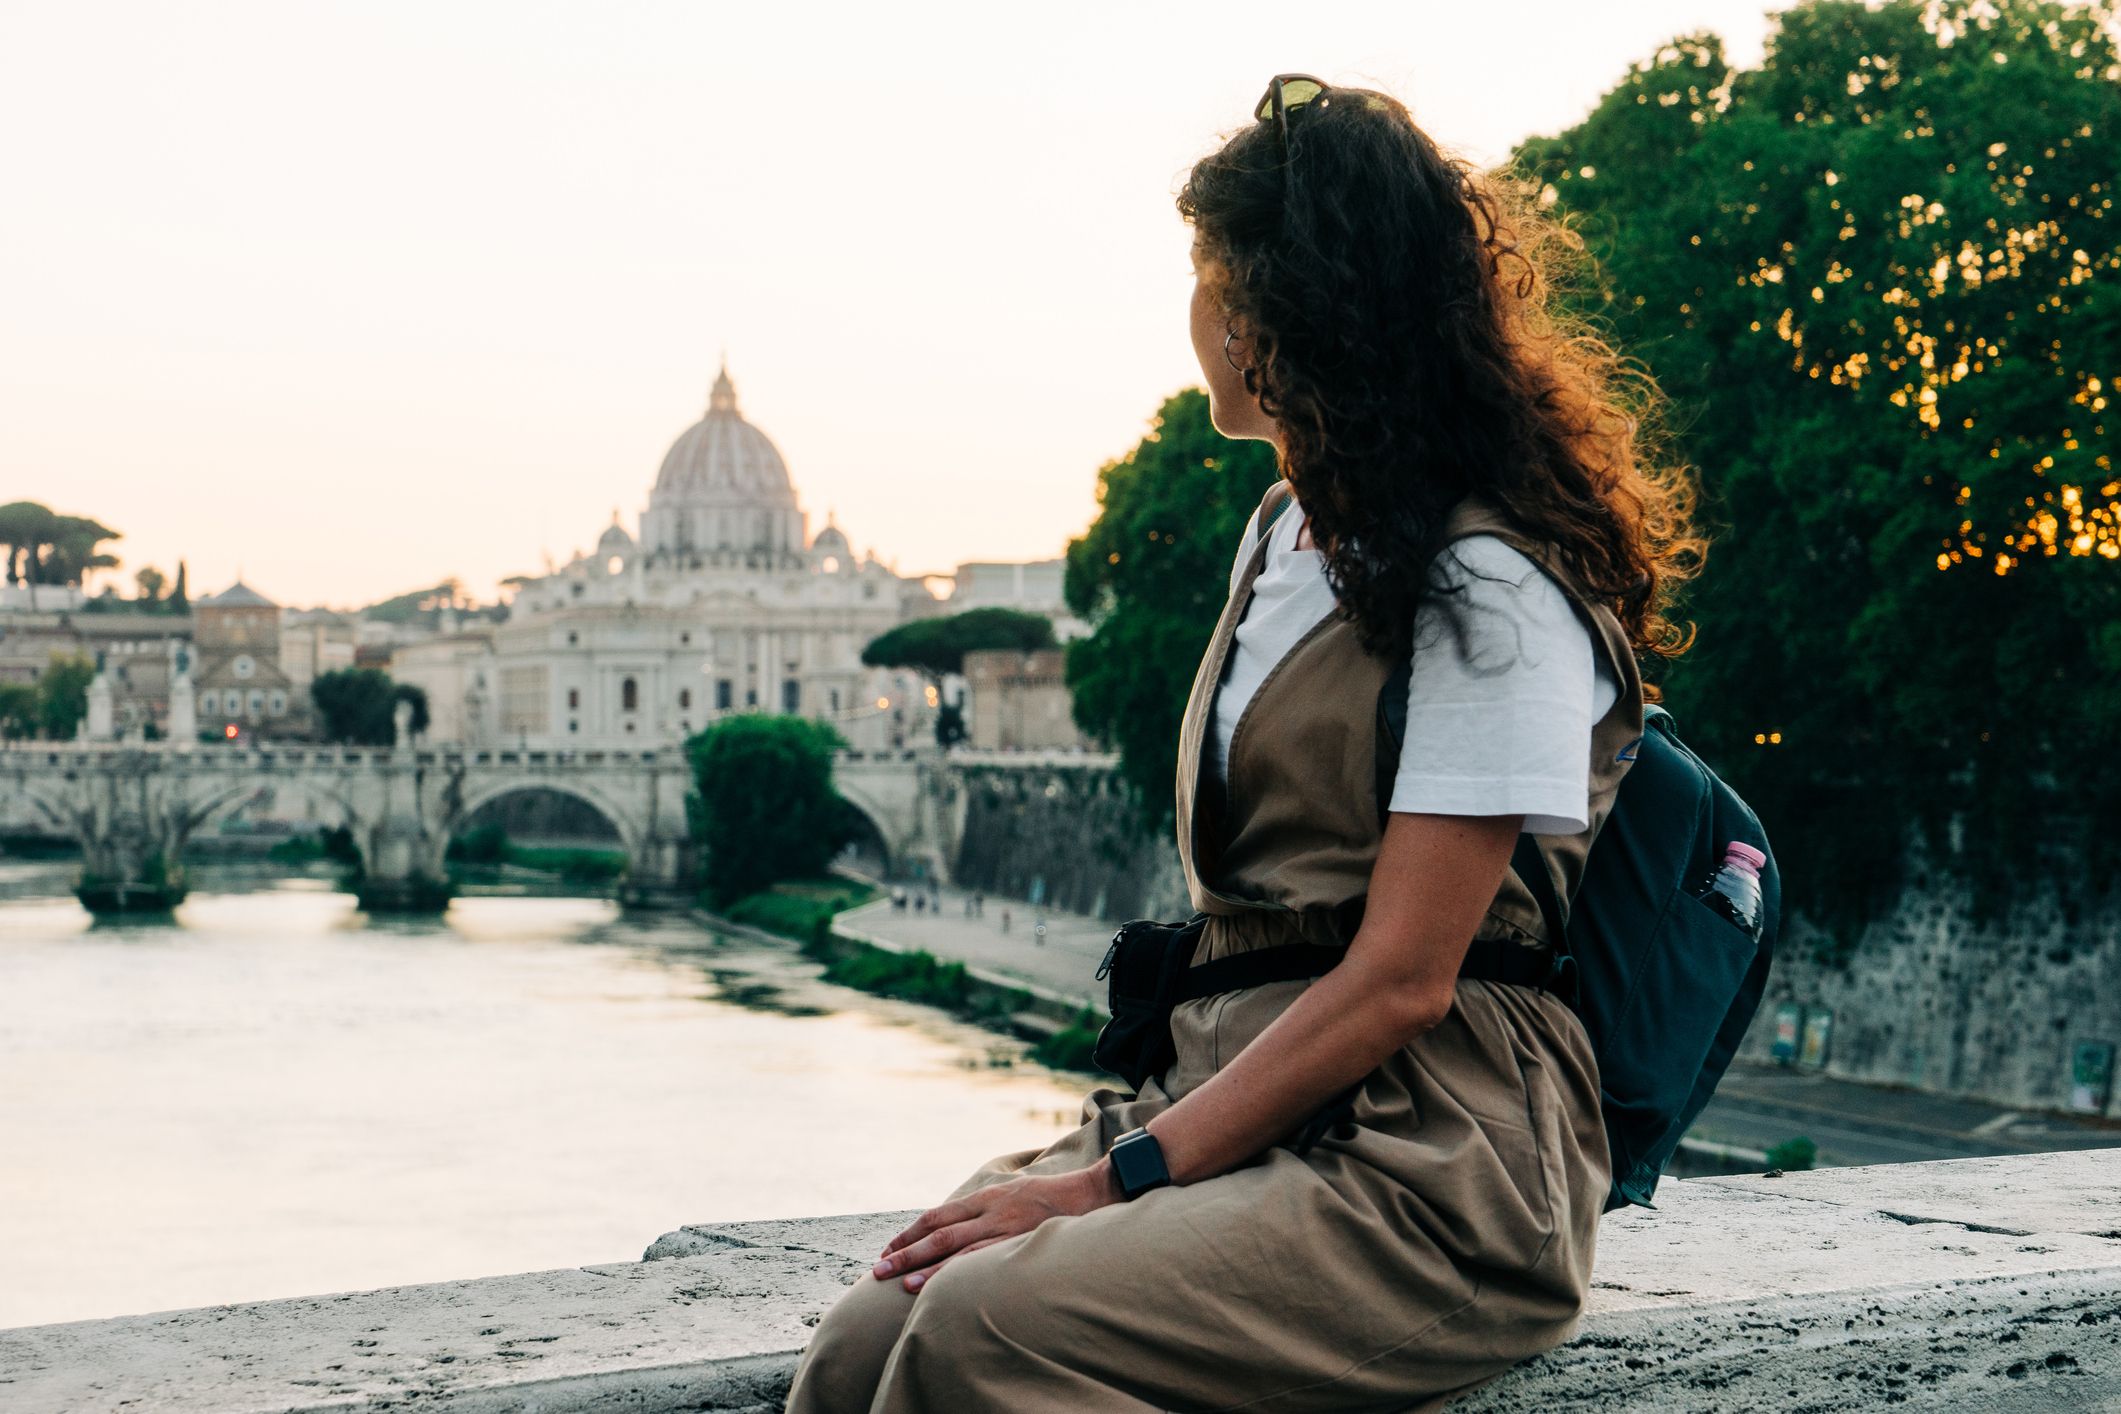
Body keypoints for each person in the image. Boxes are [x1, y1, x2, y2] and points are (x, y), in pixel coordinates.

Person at [786, 75, 1701, 1413]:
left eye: (1208, 278)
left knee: (985, 1329)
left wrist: (1118, 1176)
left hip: (1433, 1157)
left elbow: (1401, 979)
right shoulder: (1279, 535)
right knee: (873, 1329)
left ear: (1279, 317)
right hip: (1237, 1090)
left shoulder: (1490, 594)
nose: (1192, 316)